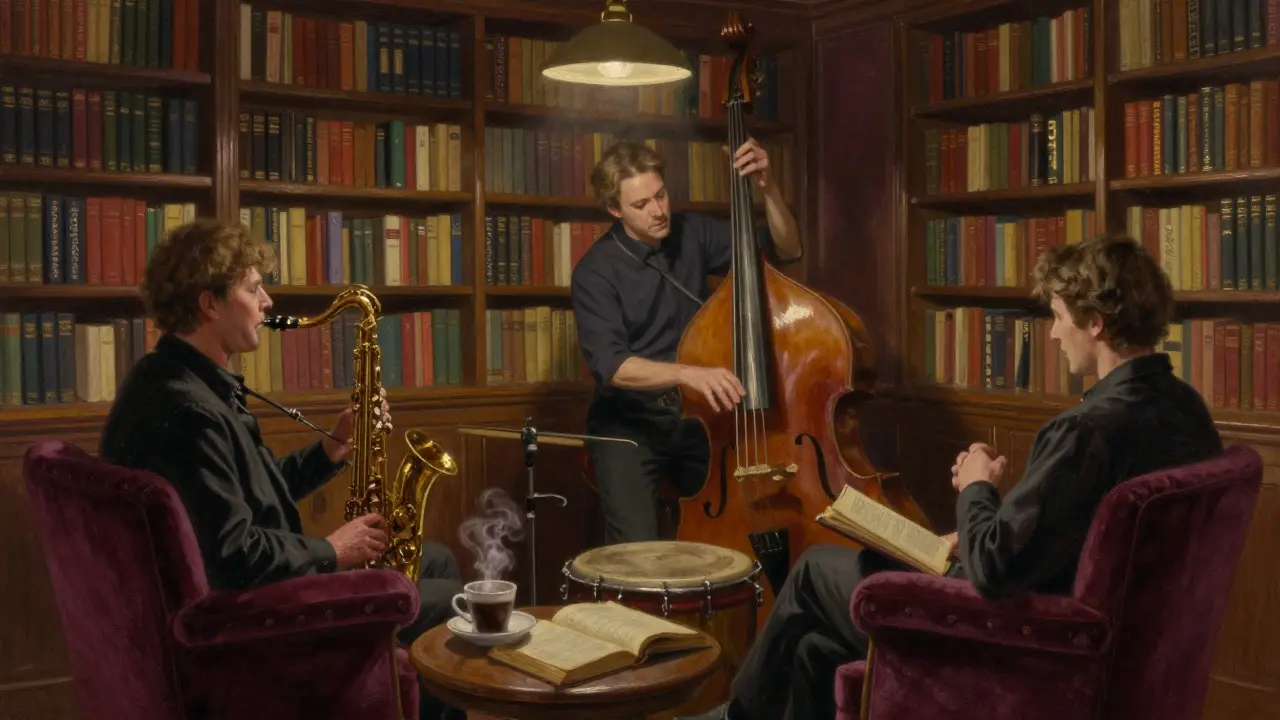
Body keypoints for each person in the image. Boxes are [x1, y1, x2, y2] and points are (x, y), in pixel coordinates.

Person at [681, 234, 1224, 720]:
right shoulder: (1185, 410)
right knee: (814, 652)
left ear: (1096, 324)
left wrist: (976, 484)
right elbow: (1086, 535)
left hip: (1024, 639)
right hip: (1100, 631)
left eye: (1058, 316)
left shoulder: (1087, 429)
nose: (1056, 333)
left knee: (814, 569)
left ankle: (736, 717)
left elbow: (992, 570)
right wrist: (972, 531)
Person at [99, 218, 465, 720]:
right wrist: (333, 550)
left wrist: (333, 447)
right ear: (209, 303)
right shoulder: (188, 411)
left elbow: (244, 492)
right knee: (453, 603)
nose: (268, 302)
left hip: (239, 600)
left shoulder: (172, 378)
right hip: (251, 623)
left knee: (437, 560)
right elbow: (234, 552)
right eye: (253, 289)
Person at [570, 139, 804, 544]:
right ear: (614, 210)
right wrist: (688, 374)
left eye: (660, 195)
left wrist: (768, 188)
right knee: (636, 547)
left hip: (699, 419)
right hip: (630, 426)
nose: (658, 211)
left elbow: (787, 247)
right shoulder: (595, 272)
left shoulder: (692, 232)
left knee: (742, 523)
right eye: (640, 205)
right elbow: (614, 367)